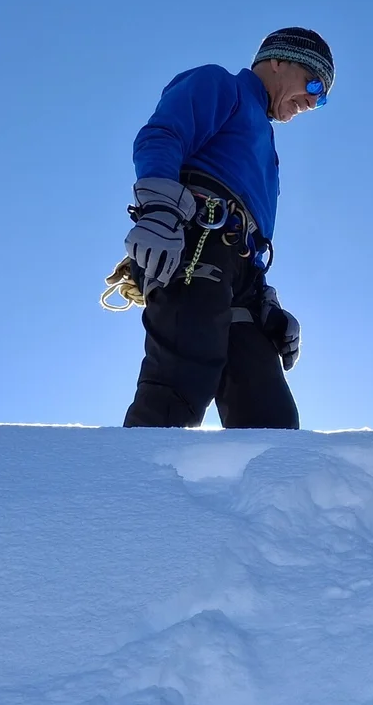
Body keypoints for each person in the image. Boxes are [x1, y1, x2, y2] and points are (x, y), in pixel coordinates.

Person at [109, 27, 333, 429]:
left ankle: (275, 489)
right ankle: (140, 488)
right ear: (278, 60)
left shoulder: (266, 148)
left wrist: (266, 300)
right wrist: (159, 210)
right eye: (314, 82)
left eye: (323, 97)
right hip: (196, 242)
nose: (314, 100)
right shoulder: (222, 86)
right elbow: (162, 134)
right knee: (183, 374)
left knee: (268, 409)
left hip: (240, 270)